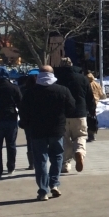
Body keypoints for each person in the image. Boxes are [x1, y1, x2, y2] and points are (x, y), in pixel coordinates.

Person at [19, 65, 75, 201]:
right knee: (57, 157)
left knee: (40, 160)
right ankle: (54, 183)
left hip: (37, 131)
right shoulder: (62, 90)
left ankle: (43, 190)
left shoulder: (30, 92)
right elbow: (71, 108)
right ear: (52, 74)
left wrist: (25, 124)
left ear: (38, 75)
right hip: (56, 130)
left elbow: (23, 111)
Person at [54, 57, 94, 173]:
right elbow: (90, 97)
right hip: (79, 113)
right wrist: (91, 110)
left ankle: (66, 164)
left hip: (62, 114)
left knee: (64, 138)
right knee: (80, 136)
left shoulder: (57, 79)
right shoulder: (82, 78)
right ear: (72, 65)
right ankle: (79, 152)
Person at [0, 66, 22, 179]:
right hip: (11, 118)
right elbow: (20, 103)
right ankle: (11, 167)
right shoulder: (14, 88)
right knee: (11, 145)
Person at [86, 71, 104, 142]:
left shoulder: (86, 84)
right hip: (95, 102)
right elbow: (101, 94)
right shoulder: (97, 84)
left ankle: (89, 135)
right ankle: (92, 134)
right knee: (93, 118)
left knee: (88, 119)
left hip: (88, 102)